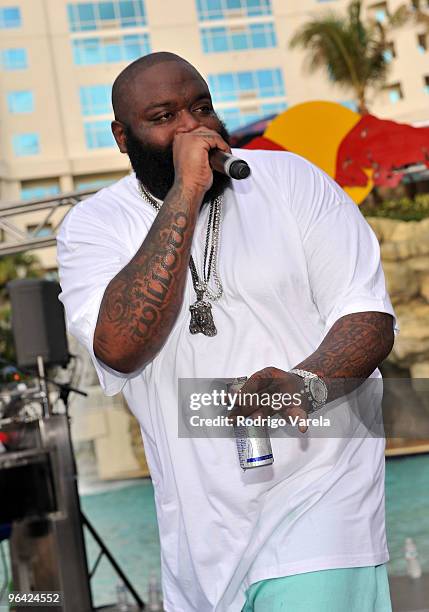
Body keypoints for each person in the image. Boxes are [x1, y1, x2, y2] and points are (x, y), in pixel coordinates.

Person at [57, 52, 396, 612]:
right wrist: (185, 193)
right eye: (164, 116)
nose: (192, 127)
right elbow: (119, 347)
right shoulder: (95, 227)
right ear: (123, 136)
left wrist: (304, 383)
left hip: (322, 501)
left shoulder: (291, 180)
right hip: (201, 538)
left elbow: (367, 316)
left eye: (201, 106)